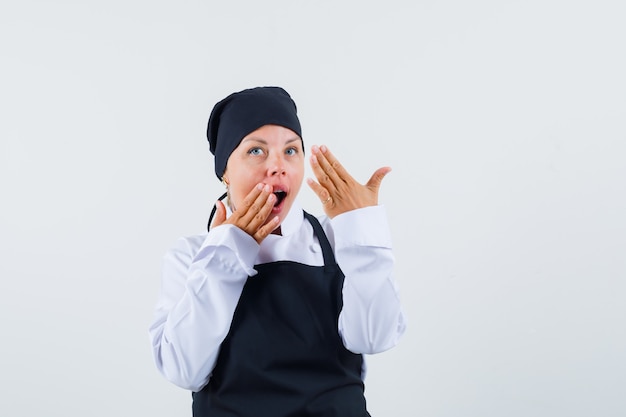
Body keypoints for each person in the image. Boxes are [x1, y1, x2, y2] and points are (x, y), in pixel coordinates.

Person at [149, 86, 406, 417]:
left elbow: (375, 338)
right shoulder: (191, 255)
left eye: (291, 151)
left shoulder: (338, 238)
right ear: (225, 171)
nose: (278, 166)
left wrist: (363, 234)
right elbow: (183, 369)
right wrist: (226, 256)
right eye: (256, 151)